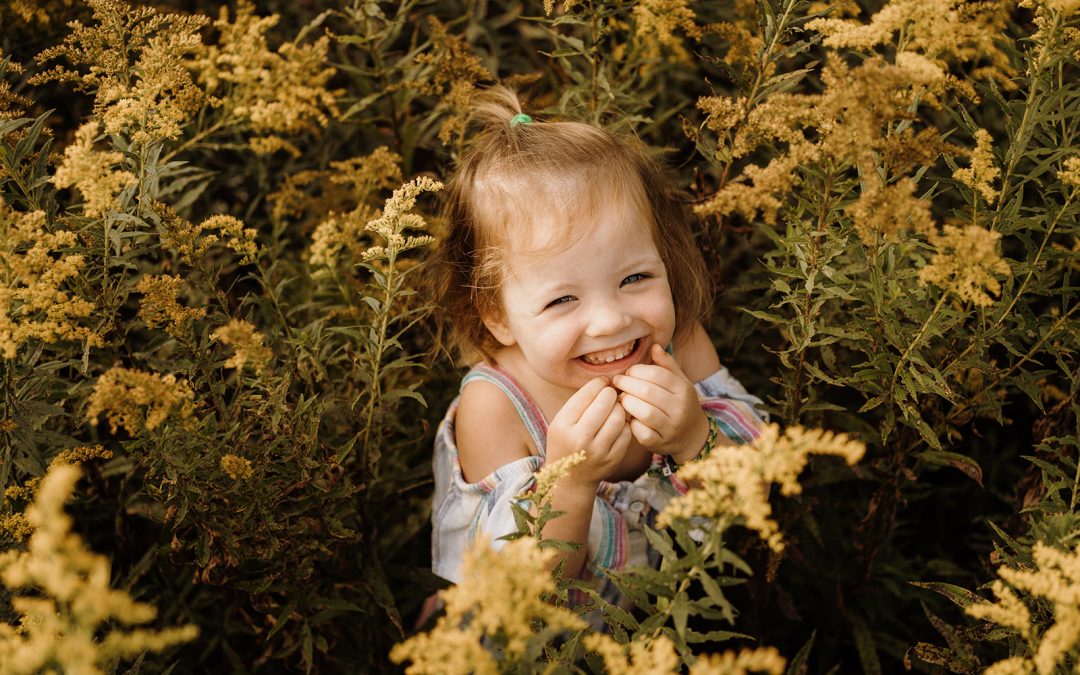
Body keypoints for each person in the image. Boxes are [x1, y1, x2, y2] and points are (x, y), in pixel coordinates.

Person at [430, 86, 765, 606]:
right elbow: (526, 597)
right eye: (562, 298)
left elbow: (755, 498)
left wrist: (694, 438)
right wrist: (571, 481)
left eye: (634, 278)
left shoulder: (677, 340)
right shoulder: (495, 408)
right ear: (497, 317)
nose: (611, 320)